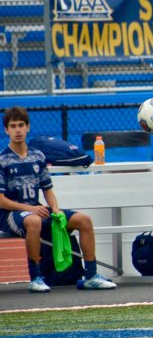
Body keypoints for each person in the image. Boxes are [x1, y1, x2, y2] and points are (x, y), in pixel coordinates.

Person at [1, 107, 116, 292]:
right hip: (10, 214)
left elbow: (47, 190)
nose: (17, 130)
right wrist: (29, 209)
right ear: (6, 130)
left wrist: (55, 208)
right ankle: (36, 278)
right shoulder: (2, 160)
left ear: (28, 127)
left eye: (21, 125)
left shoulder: (38, 156)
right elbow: (1, 201)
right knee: (34, 221)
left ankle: (91, 276)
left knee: (84, 220)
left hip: (37, 210)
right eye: (13, 126)